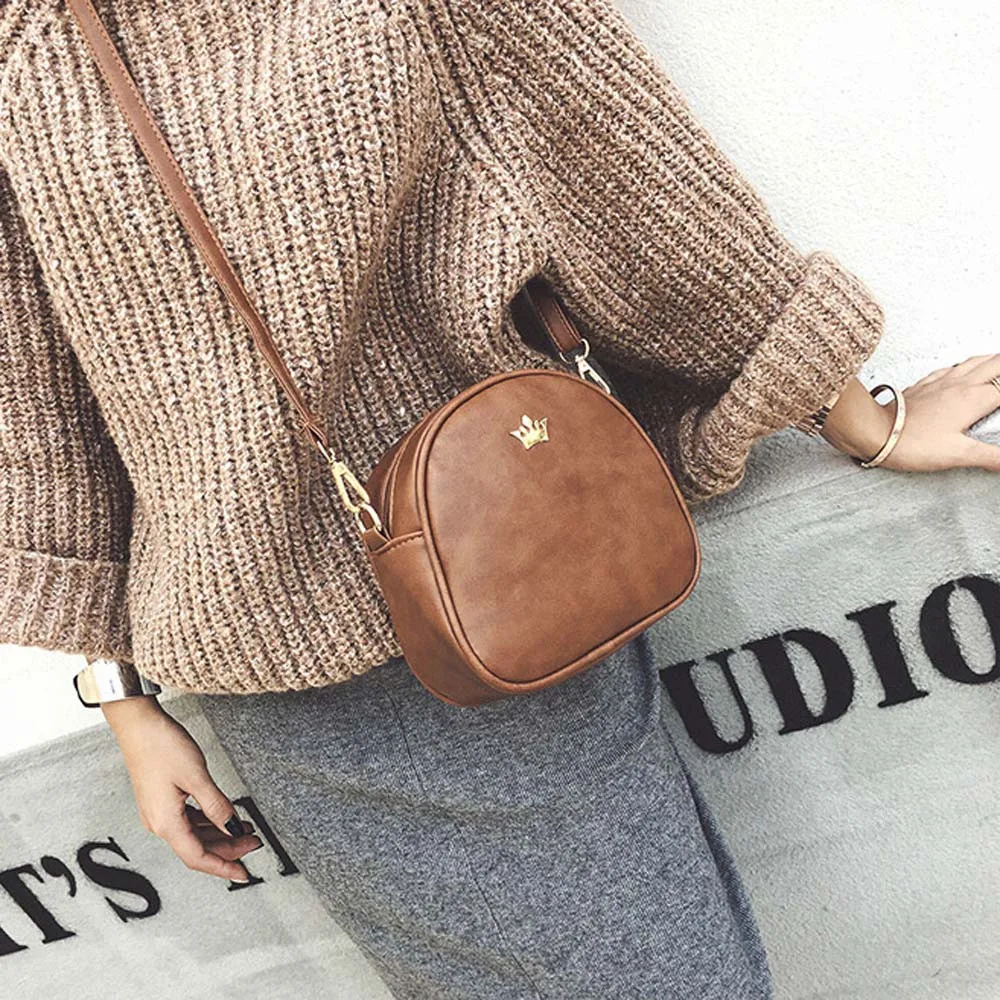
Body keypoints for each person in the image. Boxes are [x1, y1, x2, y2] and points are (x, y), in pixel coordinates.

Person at [2, 1, 999, 997]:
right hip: (284, 692)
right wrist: (121, 694)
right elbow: (43, 407)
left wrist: (845, 408)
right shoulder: (25, 52)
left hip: (508, 584)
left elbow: (623, 174)